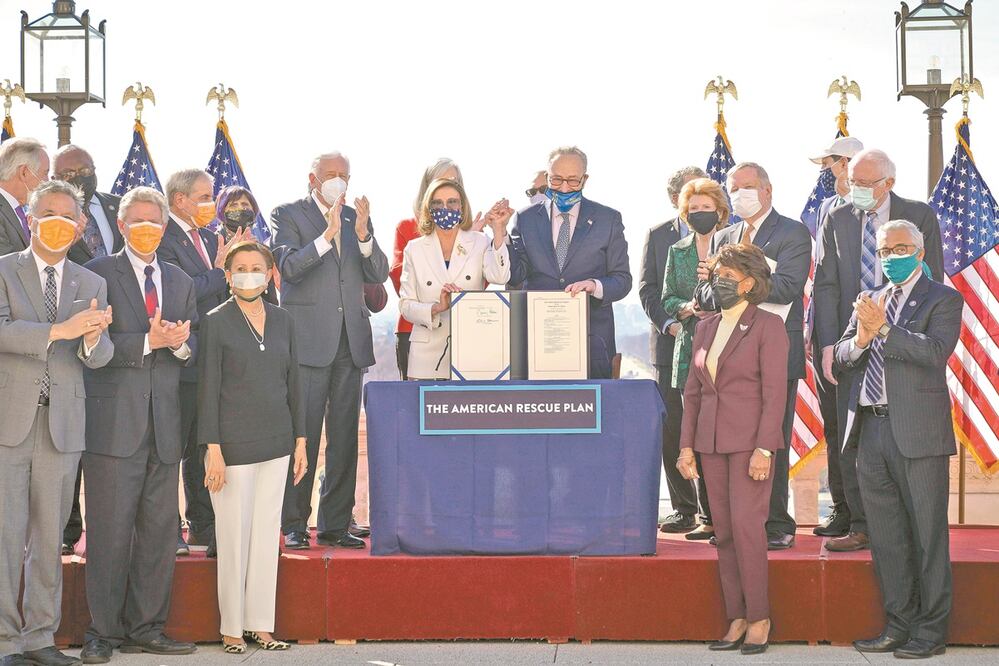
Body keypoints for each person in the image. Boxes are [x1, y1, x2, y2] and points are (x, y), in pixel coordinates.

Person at [80, 186, 198, 663]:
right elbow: (91, 350)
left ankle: (148, 627)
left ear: (165, 227)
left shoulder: (181, 279)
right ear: (123, 225)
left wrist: (180, 344)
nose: (148, 229)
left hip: (164, 428)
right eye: (138, 221)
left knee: (157, 534)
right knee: (108, 533)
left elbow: (194, 350)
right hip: (113, 427)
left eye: (156, 222)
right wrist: (148, 341)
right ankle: (102, 634)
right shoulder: (96, 275)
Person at [835, 220, 961, 659]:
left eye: (901, 248)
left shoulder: (943, 298)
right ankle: (898, 624)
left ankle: (931, 631)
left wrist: (885, 331)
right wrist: (862, 338)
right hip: (871, 430)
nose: (892, 256)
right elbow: (841, 356)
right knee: (887, 537)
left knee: (927, 535)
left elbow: (933, 351)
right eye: (886, 250)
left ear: (920, 253)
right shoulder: (869, 300)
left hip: (919, 434)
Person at [0, 180, 112, 666]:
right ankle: (5, 642)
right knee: (5, 538)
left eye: (69, 217)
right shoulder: (4, 271)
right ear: (30, 216)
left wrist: (90, 340)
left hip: (63, 427)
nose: (60, 224)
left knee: (48, 539)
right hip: (10, 424)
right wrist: (57, 332)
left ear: (80, 225)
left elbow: (100, 354)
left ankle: (39, 639)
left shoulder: (91, 283)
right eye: (50, 213)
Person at [813, 148, 945, 553]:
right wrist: (830, 345)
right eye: (852, 182)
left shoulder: (919, 214)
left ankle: (903, 523)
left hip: (902, 336)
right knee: (850, 433)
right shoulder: (836, 217)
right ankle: (860, 523)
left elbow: (932, 276)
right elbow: (827, 284)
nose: (857, 190)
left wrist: (900, 332)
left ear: (888, 183)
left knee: (898, 431)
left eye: (866, 184)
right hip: (854, 339)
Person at [271, 151, 389, 550]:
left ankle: (336, 522)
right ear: (312, 178)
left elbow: (378, 274)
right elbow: (287, 267)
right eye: (330, 174)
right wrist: (326, 237)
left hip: (349, 343)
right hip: (305, 343)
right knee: (301, 435)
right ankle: (294, 522)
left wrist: (364, 238)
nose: (338, 181)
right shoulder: (288, 214)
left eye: (344, 175)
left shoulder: (357, 219)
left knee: (343, 437)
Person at [198, 241, 308, 654]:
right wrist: (213, 449)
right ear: (227, 276)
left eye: (256, 267)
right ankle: (231, 627)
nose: (248, 274)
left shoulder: (283, 320)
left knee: (265, 536)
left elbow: (293, 382)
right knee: (233, 537)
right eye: (239, 268)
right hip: (232, 446)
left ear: (270, 273)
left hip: (277, 442)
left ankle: (261, 625)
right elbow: (207, 390)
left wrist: (300, 439)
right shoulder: (216, 321)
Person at [694, 162, 811, 550]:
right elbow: (707, 295)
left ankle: (775, 522)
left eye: (747, 187)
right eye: (734, 187)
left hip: (773, 348)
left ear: (767, 190)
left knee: (768, 436)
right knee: (729, 441)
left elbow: (790, 286)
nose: (739, 194)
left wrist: (738, 284)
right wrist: (732, 285)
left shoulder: (792, 231)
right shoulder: (724, 234)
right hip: (725, 356)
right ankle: (729, 524)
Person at [678, 243, 788, 656]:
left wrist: (765, 449)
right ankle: (737, 617)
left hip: (750, 447)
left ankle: (759, 617)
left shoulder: (768, 326)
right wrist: (686, 447)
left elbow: (775, 394)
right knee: (723, 533)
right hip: (710, 445)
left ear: (749, 283)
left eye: (727, 276)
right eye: (716, 275)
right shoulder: (704, 327)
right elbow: (694, 392)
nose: (719, 282)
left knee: (746, 529)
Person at [159, 169, 252, 556]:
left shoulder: (205, 237)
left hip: (209, 359)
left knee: (203, 446)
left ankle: (202, 522)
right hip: (178, 361)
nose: (212, 203)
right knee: (172, 449)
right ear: (180, 200)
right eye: (204, 195)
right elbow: (180, 292)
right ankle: (169, 530)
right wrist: (219, 272)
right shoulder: (165, 239)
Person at [51, 144, 125, 555]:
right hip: (74, 339)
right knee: (70, 443)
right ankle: (67, 531)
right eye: (69, 171)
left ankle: (110, 531)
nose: (80, 174)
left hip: (121, 338)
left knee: (110, 443)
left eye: (86, 168)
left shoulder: (118, 205)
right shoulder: (54, 213)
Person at [509, 146, 632, 378]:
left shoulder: (608, 219)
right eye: (556, 180)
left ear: (585, 179)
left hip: (592, 345)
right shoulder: (525, 219)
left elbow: (622, 280)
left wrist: (594, 285)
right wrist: (498, 237)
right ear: (547, 178)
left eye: (573, 181)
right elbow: (516, 275)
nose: (564, 188)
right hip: (537, 345)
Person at [660, 175, 727, 541]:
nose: (700, 213)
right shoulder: (678, 250)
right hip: (690, 349)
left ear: (720, 210)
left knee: (724, 435)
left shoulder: (733, 245)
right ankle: (706, 515)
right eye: (694, 209)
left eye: (707, 208)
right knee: (695, 434)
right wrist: (687, 307)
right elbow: (667, 296)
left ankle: (729, 515)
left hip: (730, 347)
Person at [638, 165, 704, 535]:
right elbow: (648, 289)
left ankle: (713, 510)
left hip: (715, 346)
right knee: (673, 429)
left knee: (711, 427)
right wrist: (671, 324)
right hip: (669, 346)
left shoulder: (727, 235)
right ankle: (683, 508)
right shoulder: (658, 235)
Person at [805, 135, 863, 540]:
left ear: (846, 163)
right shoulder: (828, 210)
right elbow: (823, 282)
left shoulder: (896, 212)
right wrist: (825, 343)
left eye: (830, 163)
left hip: (874, 339)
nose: (826, 171)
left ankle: (872, 514)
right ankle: (843, 509)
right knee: (836, 427)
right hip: (833, 343)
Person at [399, 179, 512, 379]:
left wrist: (498, 231)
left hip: (471, 351)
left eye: (452, 202)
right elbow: (406, 306)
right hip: (426, 358)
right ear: (428, 208)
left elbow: (500, 275)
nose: (445, 208)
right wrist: (436, 308)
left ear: (462, 207)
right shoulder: (414, 248)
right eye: (437, 203)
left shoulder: (479, 241)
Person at [390, 159, 464, 380]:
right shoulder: (407, 227)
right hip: (415, 329)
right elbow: (398, 278)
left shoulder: (471, 234)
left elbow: (483, 283)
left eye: (453, 181)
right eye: (439, 181)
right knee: (418, 408)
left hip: (462, 330)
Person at [0, 137, 49, 258]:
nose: (47, 181)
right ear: (24, 172)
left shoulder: (22, 212)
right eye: (45, 173)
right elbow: (7, 269)